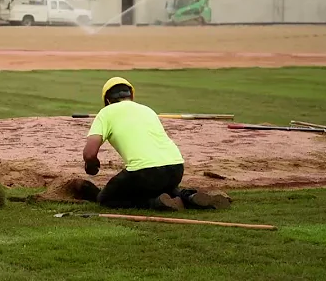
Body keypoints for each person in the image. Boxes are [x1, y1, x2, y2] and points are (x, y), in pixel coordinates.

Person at [82, 77, 231, 211]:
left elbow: (89, 154)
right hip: (176, 168)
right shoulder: (148, 110)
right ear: (131, 96)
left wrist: (91, 166)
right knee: (161, 186)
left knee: (106, 199)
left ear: (107, 100)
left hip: (144, 172)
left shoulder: (105, 113)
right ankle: (189, 197)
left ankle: (154, 203)